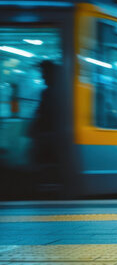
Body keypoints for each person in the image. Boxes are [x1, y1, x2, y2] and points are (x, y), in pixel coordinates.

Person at [30, 60, 61, 188]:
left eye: (43, 73)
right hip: (52, 133)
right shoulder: (58, 90)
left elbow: (44, 113)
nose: (42, 77)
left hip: (49, 134)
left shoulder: (49, 92)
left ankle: (46, 183)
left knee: (45, 160)